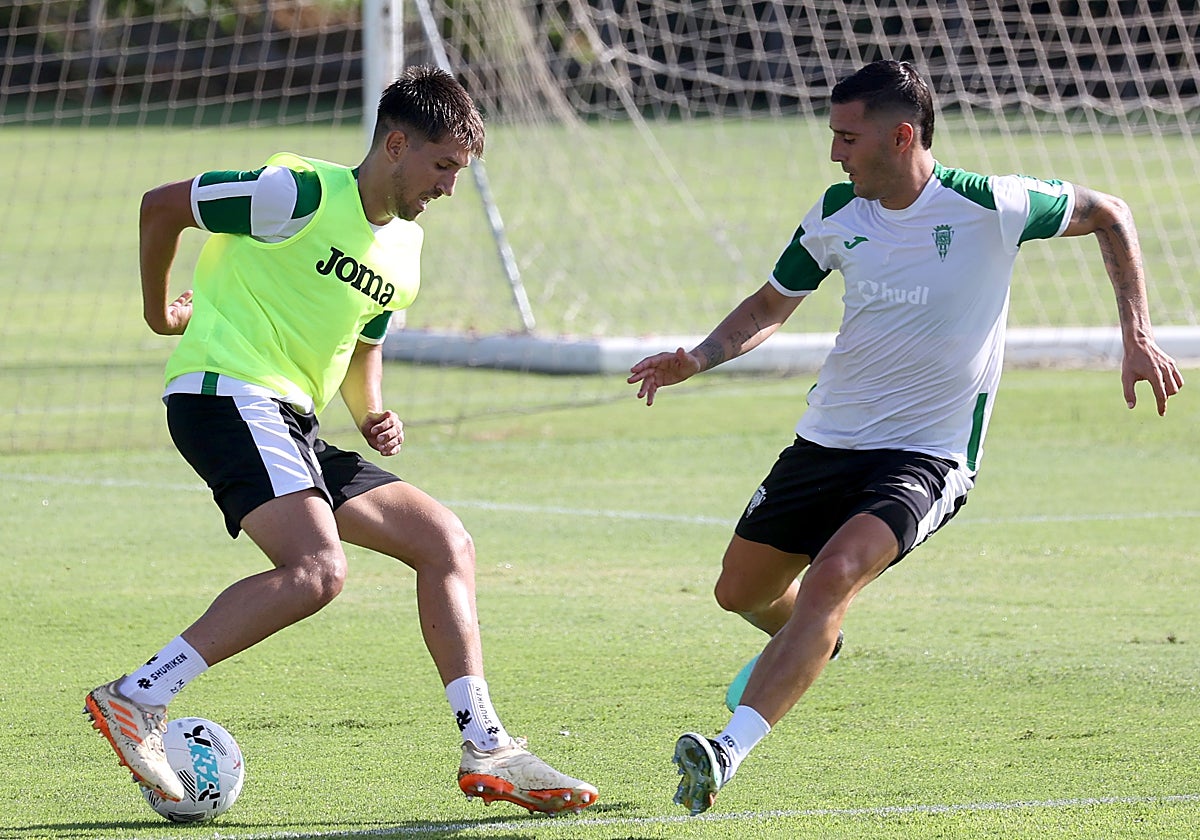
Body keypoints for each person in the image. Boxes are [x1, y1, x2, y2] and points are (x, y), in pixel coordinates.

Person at [628, 59, 1183, 816]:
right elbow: (769, 304)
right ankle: (815, 642)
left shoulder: (992, 204)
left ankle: (728, 750)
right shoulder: (835, 213)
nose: (835, 154)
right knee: (740, 592)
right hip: (826, 441)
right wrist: (696, 357)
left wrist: (1137, 336)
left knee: (833, 577)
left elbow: (1111, 212)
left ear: (901, 135)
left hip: (929, 454)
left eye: (847, 138)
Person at [84, 65, 598, 816]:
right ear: (396, 143)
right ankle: (137, 697)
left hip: (289, 420)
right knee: (318, 570)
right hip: (224, 392)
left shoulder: (407, 250)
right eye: (444, 166)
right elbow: (161, 206)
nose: (451, 187)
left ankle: (488, 745)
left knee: (443, 542)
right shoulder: (296, 192)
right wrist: (161, 313)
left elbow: (364, 338)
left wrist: (371, 409)